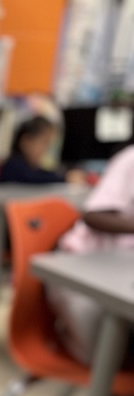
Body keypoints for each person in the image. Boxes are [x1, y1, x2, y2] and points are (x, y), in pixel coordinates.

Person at [46, 143, 134, 366]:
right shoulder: (129, 160)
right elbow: (93, 215)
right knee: (109, 361)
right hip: (85, 270)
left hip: (122, 272)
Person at [0, 116, 86, 248]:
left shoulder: (35, 168)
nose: (46, 150)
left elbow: (44, 174)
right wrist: (65, 178)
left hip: (12, 230)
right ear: (26, 142)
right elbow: (32, 178)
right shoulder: (12, 165)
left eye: (49, 145)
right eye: (44, 143)